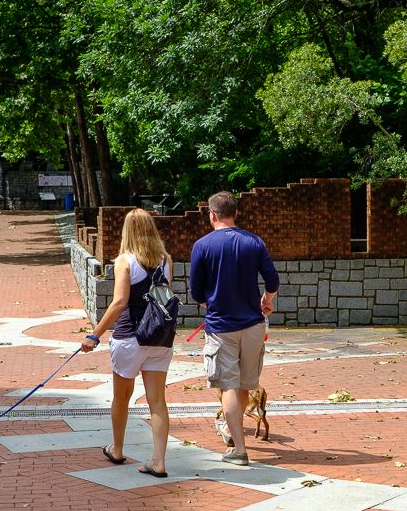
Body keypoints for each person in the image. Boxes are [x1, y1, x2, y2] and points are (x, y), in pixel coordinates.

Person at [80, 208, 173, 477]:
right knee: (157, 401)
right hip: (159, 338)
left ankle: (118, 449)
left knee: (122, 397)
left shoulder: (125, 261)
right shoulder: (166, 260)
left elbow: (120, 302)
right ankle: (158, 461)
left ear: (127, 231)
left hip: (129, 338)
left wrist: (94, 334)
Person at [188, 191, 279, 466]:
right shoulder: (254, 242)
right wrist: (267, 300)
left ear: (212, 214)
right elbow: (272, 279)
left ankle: (239, 449)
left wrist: (211, 303)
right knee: (243, 384)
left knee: (227, 384)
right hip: (252, 325)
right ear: (235, 213)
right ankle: (232, 431)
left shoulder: (202, 245)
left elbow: (195, 292)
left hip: (221, 327)